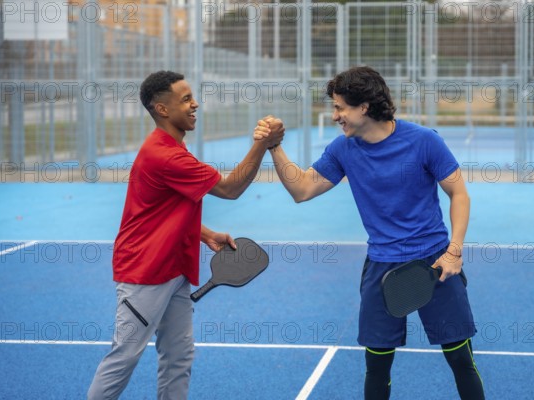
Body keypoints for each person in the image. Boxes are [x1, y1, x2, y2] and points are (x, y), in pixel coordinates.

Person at [255, 66, 484, 400]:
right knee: (376, 366)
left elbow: (459, 194)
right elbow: (302, 189)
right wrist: (274, 147)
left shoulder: (424, 141)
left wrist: (455, 251)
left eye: (339, 108)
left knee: (460, 359)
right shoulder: (343, 149)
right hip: (381, 267)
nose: (335, 116)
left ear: (363, 107)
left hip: (436, 264)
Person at [87, 70, 284, 399]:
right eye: (186, 99)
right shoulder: (167, 155)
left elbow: (162, 209)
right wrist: (263, 143)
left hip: (175, 268)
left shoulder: (171, 146)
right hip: (145, 272)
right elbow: (231, 188)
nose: (196, 104)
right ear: (162, 110)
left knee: (178, 357)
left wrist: (204, 233)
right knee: (125, 356)